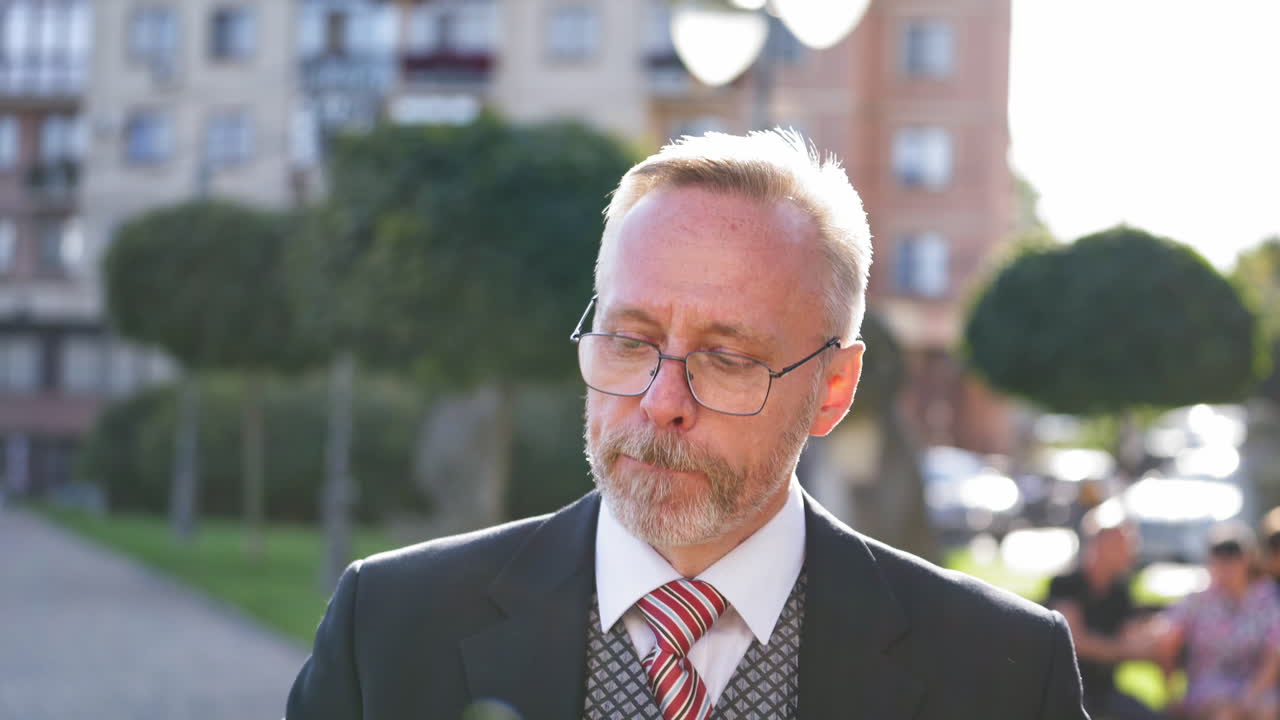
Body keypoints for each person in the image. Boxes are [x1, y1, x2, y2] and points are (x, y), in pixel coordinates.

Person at [286, 130, 1088, 719]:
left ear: (834, 388)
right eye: (631, 342)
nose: (661, 400)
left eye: (728, 359)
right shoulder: (391, 628)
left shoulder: (1002, 675)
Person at [1145, 523, 1280, 720]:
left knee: (1265, 711)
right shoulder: (1199, 598)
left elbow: (1274, 653)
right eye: (1219, 556)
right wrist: (1171, 695)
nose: (1227, 564)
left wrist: (1250, 695)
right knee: (1224, 714)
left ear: (1249, 557)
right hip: (1209, 687)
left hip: (1255, 685)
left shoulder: (1266, 596)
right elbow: (1166, 638)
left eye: (1233, 555)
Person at [1047, 503, 1161, 719]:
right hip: (1064, 693)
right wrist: (1121, 649)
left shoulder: (1121, 592)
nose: (1130, 552)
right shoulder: (1066, 584)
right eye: (1123, 544)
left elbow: (1140, 640)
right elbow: (1074, 641)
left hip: (1105, 693)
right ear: (1099, 545)